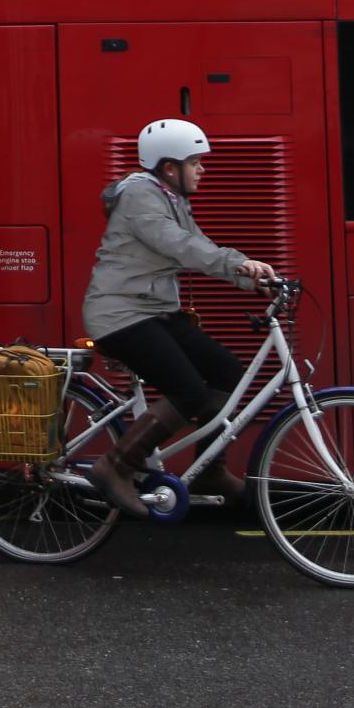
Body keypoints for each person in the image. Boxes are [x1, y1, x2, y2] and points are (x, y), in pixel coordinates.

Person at [82, 118, 278, 514]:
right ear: (170, 167)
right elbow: (180, 246)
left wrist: (253, 281)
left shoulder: (170, 197)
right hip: (120, 314)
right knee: (188, 389)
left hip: (154, 311)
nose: (202, 169)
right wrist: (240, 263)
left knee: (227, 373)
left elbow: (199, 245)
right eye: (195, 162)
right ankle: (115, 466)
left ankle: (210, 468)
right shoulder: (140, 197)